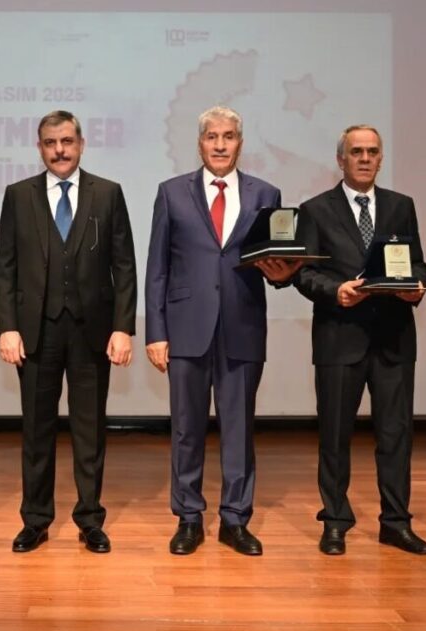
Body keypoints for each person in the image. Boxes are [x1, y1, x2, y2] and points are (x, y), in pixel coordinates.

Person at [144, 106, 301, 556]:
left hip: (242, 328)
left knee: (239, 430)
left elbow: (277, 263)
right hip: (185, 329)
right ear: (199, 143)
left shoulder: (265, 194)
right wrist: (156, 332)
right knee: (186, 430)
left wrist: (285, 272)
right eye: (211, 136)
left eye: (228, 136)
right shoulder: (171, 193)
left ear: (240, 142)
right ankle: (189, 518)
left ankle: (235, 519)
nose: (219, 144)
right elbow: (158, 268)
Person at [0, 110, 137, 553]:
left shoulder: (107, 194)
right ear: (40, 148)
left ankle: (90, 519)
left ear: (81, 143)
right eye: (51, 143)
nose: (60, 150)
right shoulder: (18, 195)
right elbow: (6, 268)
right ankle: (35, 520)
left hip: (92, 332)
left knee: (89, 430)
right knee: (36, 431)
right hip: (36, 333)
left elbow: (124, 267)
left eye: (67, 141)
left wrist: (123, 328)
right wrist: (8, 328)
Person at [293, 125, 426, 556]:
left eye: (373, 151)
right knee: (335, 435)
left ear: (381, 157)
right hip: (339, 337)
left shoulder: (400, 206)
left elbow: (417, 263)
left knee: (396, 435)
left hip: (393, 339)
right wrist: (336, 291)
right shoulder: (315, 209)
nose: (365, 158)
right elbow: (303, 272)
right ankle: (335, 520)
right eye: (357, 152)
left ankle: (395, 522)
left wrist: (417, 286)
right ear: (341, 159)